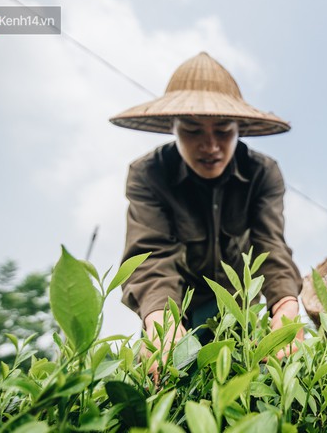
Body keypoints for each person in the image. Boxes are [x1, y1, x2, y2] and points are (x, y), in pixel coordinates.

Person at [109, 52, 303, 373]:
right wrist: (163, 327)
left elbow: (271, 248)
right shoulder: (148, 175)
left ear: (239, 128)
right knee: (167, 379)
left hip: (236, 308)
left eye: (223, 130)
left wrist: (284, 308)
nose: (210, 145)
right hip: (175, 308)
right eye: (193, 130)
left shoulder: (262, 174)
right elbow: (150, 255)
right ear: (173, 128)